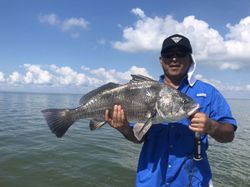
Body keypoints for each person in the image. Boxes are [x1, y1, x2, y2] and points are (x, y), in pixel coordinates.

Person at [104, 34, 237, 187]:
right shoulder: (145, 90)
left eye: (180, 54)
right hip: (150, 181)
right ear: (161, 60)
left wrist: (212, 126)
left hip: (193, 181)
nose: (174, 59)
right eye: (168, 54)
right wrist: (125, 129)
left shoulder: (209, 92)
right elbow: (138, 138)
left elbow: (229, 136)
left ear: (190, 59)